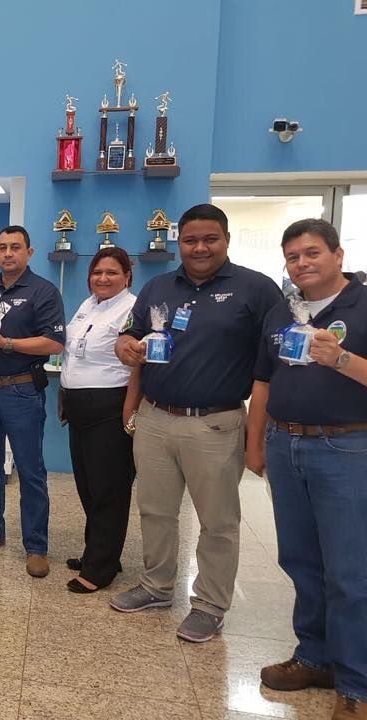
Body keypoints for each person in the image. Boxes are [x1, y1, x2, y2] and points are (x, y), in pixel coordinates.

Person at [110, 203, 282, 643]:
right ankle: (156, 585)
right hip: (155, 418)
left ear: (226, 240)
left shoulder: (256, 289)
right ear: (179, 243)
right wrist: (125, 345)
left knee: (217, 521)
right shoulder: (157, 287)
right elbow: (130, 333)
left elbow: (273, 362)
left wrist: (258, 437)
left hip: (216, 424)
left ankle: (209, 604)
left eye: (210, 239)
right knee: (155, 510)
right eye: (190, 240)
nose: (200, 248)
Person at [246, 219, 367, 720]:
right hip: (284, 444)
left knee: (349, 571)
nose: (301, 263)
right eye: (293, 256)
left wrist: (341, 359)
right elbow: (263, 382)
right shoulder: (282, 311)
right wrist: (255, 445)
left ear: (338, 255)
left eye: (312, 253)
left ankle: (355, 685)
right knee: (300, 560)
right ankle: (314, 657)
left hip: (346, 449)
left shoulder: (362, 305)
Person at [0, 225, 66, 579]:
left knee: (30, 471)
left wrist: (6, 343)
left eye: (15, 247)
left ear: (29, 252)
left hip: (21, 391)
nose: (8, 253)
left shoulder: (43, 292)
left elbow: (54, 343)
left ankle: (36, 546)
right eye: (2, 247)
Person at [59, 246, 139, 593]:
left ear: (127, 276)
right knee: (88, 486)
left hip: (110, 407)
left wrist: (130, 411)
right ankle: (98, 551)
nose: (102, 278)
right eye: (97, 272)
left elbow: (138, 366)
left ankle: (101, 568)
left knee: (110, 488)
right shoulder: (87, 305)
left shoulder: (133, 309)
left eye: (111, 273)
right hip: (78, 407)